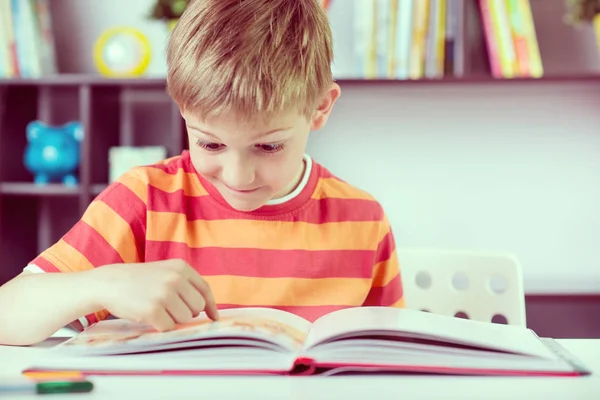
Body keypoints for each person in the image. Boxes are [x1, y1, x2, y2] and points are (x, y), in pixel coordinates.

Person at [0, 0, 403, 346]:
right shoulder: (142, 201)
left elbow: (394, 354)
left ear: (320, 107)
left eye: (268, 146)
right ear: (182, 109)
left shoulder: (362, 219)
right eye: (211, 144)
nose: (239, 175)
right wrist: (101, 284)